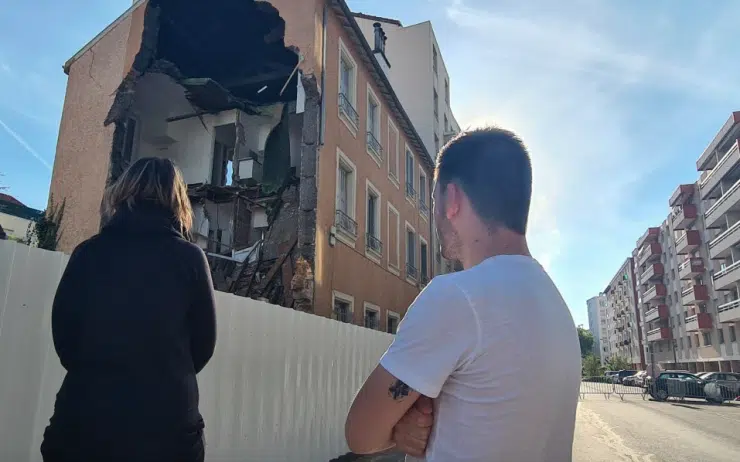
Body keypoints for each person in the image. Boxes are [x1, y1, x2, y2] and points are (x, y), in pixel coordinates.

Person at [345, 127, 581, 461]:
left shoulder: (456, 297)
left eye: (434, 202)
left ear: (452, 200)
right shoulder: (556, 307)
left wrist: (400, 430)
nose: (435, 217)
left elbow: (361, 433)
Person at [40, 157, 217, 462]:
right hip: (168, 428)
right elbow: (203, 346)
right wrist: (163, 373)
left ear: (123, 191)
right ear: (178, 200)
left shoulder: (88, 253)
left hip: (84, 423)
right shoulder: (190, 259)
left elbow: (65, 339)